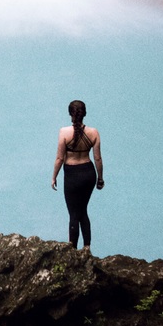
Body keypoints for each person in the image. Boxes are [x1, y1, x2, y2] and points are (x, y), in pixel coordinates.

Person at [50, 99, 104, 251]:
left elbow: (60, 158)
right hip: (88, 174)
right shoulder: (93, 133)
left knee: (74, 214)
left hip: (72, 176)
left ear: (70, 114)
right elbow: (98, 158)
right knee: (83, 211)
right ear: (84, 114)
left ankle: (72, 251)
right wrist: (100, 178)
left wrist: (54, 177)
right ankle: (87, 248)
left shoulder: (64, 133)